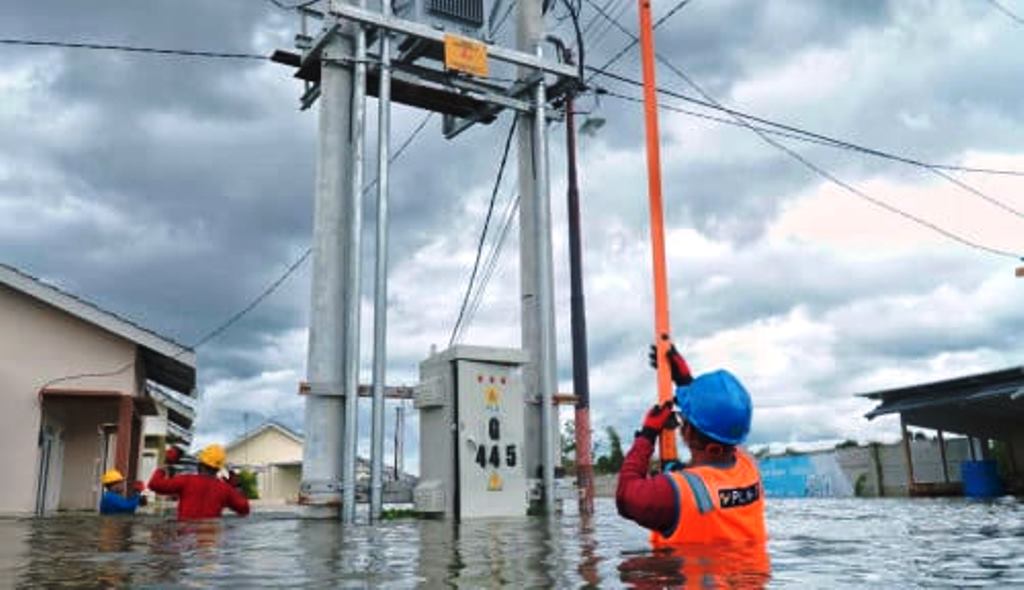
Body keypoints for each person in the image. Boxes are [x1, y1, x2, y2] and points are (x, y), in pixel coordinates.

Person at [617, 343, 766, 546]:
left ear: (688, 432)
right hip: (752, 575)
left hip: (688, 575)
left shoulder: (672, 493)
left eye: (683, 419)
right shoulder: (749, 467)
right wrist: (685, 382)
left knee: (633, 570)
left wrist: (647, 435)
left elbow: (625, 496)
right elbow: (724, 422)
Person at [148, 444, 250, 520]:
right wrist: (236, 486)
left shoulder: (186, 480)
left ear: (200, 464)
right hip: (211, 539)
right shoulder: (225, 489)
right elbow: (244, 509)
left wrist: (166, 464)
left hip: (185, 537)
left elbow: (154, 484)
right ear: (218, 469)